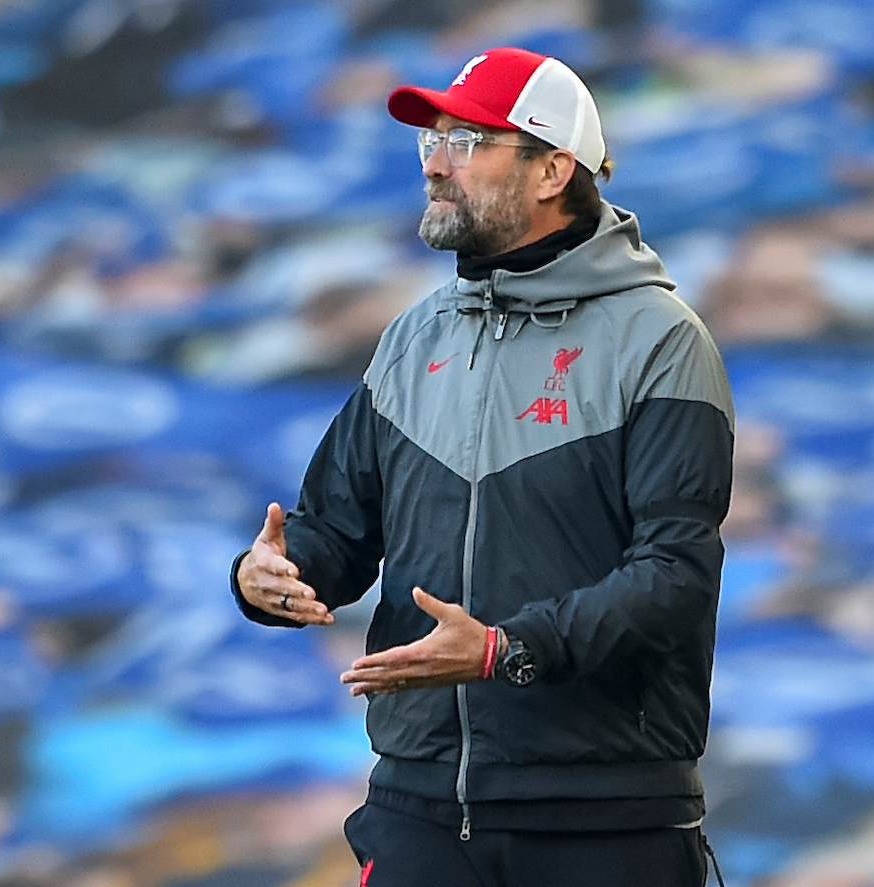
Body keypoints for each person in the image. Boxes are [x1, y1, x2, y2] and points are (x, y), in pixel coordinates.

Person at [231, 46, 734, 887]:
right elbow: (336, 533)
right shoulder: (414, 334)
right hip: (417, 806)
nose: (435, 163)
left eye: (467, 141)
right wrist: (273, 575)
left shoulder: (661, 338)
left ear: (551, 169)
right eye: (432, 140)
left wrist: (508, 649)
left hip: (604, 815)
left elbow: (676, 575)